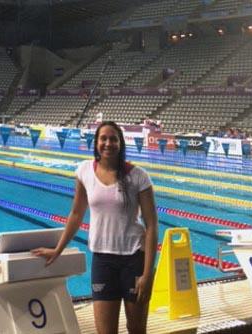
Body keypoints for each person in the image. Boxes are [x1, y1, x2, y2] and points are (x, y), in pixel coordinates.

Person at [32, 121, 158, 334]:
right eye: (103, 139)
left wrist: (147, 274)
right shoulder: (84, 171)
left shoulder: (138, 176)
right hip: (103, 261)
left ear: (120, 143)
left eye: (113, 139)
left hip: (134, 260)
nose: (108, 143)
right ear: (96, 142)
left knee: (136, 329)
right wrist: (58, 249)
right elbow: (76, 214)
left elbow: (152, 225)